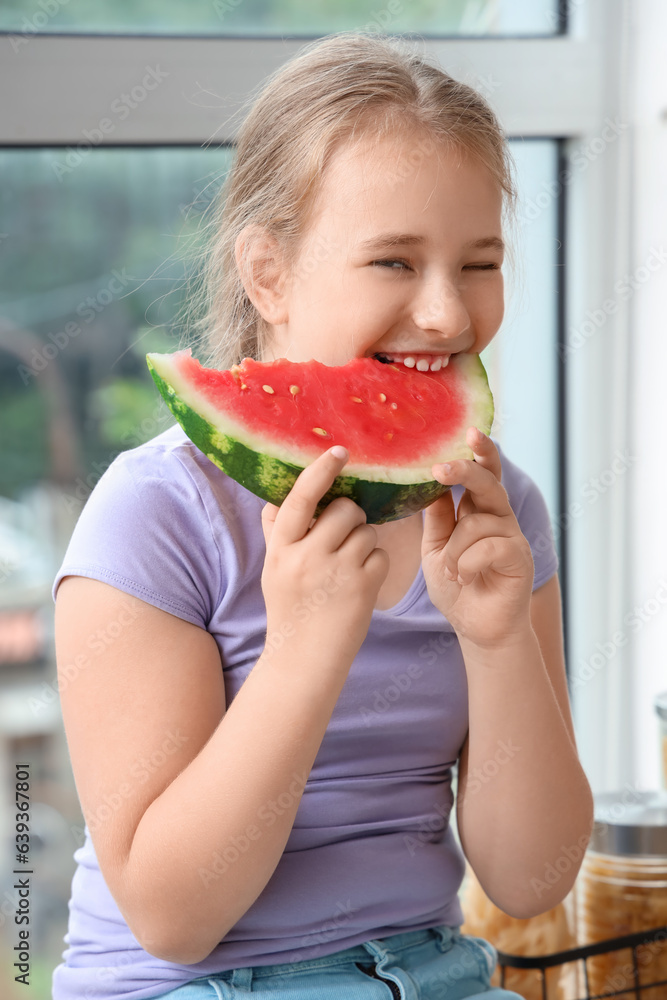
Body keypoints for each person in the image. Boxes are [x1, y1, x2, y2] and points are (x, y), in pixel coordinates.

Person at [52, 31, 594, 1000]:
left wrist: (500, 639)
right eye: (392, 261)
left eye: (480, 262)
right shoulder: (159, 514)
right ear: (267, 274)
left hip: (433, 973)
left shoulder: (496, 507)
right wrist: (305, 647)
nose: (444, 314)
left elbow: (529, 876)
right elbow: (174, 917)